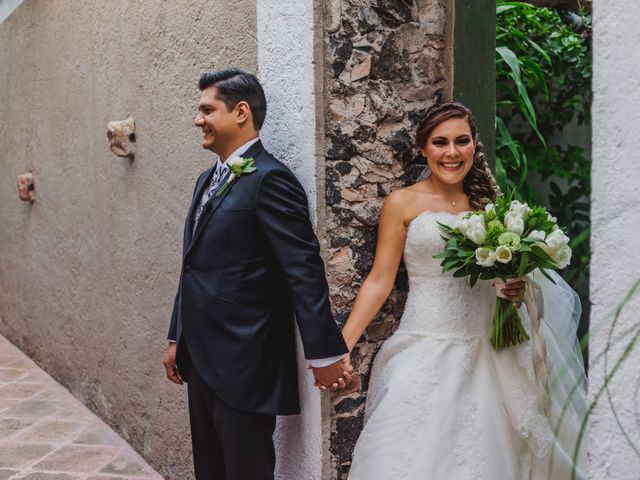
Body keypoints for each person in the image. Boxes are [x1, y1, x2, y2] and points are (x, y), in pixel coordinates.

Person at [341, 102, 587, 479]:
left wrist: (513, 287)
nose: (452, 152)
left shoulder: (490, 207)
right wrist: (341, 346)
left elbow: (504, 280)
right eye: (440, 142)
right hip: (423, 344)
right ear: (423, 148)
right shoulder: (402, 202)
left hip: (490, 352)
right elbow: (379, 280)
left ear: (475, 146)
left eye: (462, 141)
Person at [162, 68, 352, 480]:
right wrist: (178, 334)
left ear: (241, 112)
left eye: (206, 110)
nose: (198, 120)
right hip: (201, 359)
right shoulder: (204, 180)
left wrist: (324, 353)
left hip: (245, 362)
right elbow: (192, 264)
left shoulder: (272, 180)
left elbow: (302, 269)